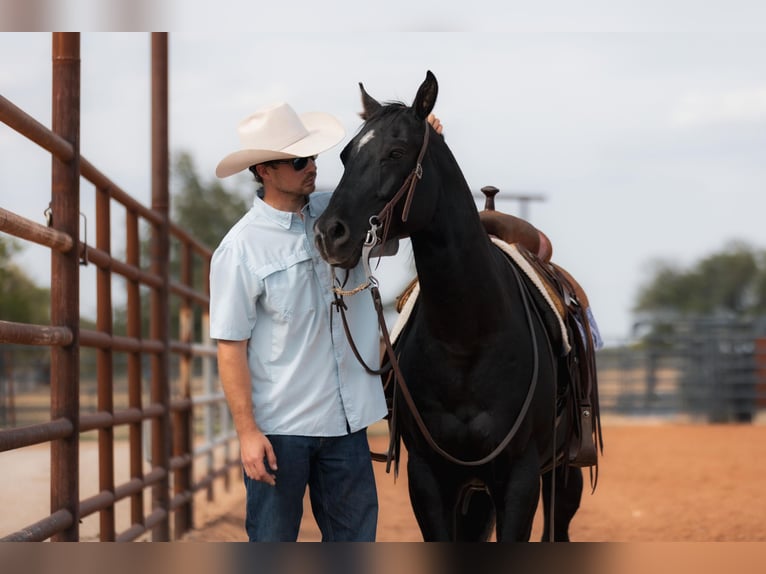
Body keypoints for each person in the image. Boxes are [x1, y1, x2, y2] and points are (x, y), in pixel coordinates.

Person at [210, 101, 442, 542]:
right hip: (282, 432)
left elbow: (394, 186)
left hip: (348, 424)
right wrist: (247, 433)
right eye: (299, 161)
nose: (311, 167)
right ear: (264, 171)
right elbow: (230, 346)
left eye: (313, 157)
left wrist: (418, 138)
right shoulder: (240, 250)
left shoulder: (343, 212)